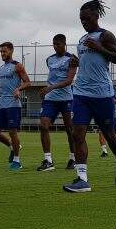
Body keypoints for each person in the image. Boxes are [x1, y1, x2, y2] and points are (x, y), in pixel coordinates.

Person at [63, 0, 116, 193]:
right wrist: (78, 60)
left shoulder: (105, 35)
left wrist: (100, 47)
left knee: (109, 135)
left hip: (102, 94)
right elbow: (88, 62)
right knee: (77, 134)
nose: (84, 22)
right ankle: (82, 179)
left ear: (96, 16)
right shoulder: (82, 39)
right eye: (81, 19)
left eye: (87, 18)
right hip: (81, 93)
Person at [37, 34, 79, 172]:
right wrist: (49, 90)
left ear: (64, 44)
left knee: (70, 130)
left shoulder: (71, 59)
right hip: (50, 99)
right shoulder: (49, 59)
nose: (56, 46)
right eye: (54, 44)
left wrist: (51, 87)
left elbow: (69, 80)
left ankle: (73, 158)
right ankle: (48, 161)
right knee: (43, 126)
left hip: (66, 99)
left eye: (58, 44)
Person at [0, 41, 31, 171]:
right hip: (1, 104)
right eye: (1, 51)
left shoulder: (17, 66)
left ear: (11, 51)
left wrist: (19, 89)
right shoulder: (1, 68)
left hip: (13, 104)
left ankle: (17, 161)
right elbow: (4, 85)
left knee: (12, 132)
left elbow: (28, 82)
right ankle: (12, 146)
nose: (2, 53)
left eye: (4, 51)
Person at [97, 86, 116, 157]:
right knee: (101, 132)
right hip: (101, 115)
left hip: (113, 115)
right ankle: (104, 151)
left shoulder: (114, 88)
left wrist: (109, 100)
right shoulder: (97, 87)